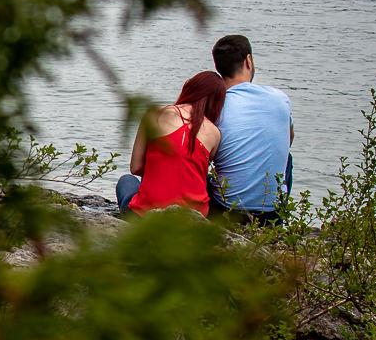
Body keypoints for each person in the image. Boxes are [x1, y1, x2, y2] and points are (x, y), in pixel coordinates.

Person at [205, 34, 294, 221]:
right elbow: (288, 140)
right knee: (287, 159)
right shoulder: (280, 98)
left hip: (227, 209)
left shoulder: (215, 106)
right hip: (271, 212)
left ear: (218, 67)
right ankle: (278, 221)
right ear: (248, 60)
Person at [114, 71, 227, 216]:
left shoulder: (154, 114)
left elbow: (136, 168)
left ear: (189, 88)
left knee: (127, 180)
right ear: (217, 103)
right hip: (193, 218)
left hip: (147, 214)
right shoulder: (214, 133)